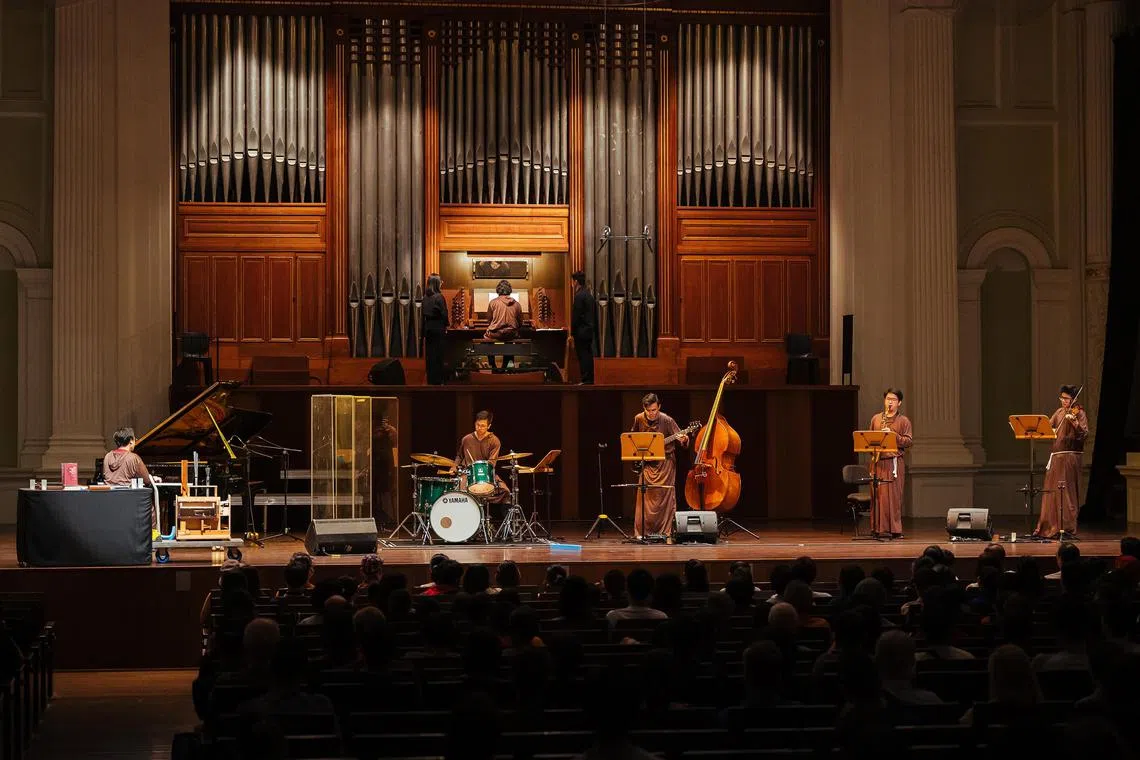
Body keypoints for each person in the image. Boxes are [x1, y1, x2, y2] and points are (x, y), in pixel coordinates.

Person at [630, 393, 689, 539]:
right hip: (647, 465)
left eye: (654, 410)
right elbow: (632, 439)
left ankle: (665, 532)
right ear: (644, 408)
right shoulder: (638, 418)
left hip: (665, 464)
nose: (651, 414)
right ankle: (643, 532)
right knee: (645, 498)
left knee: (665, 498)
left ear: (659, 407)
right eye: (648, 411)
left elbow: (681, 439)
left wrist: (684, 439)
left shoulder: (667, 420)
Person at [1034, 384, 1088, 539]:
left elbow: (1084, 434)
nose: (1064, 401)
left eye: (1067, 398)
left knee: (1066, 493)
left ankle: (1067, 528)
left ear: (1073, 399)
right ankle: (1049, 526)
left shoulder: (1079, 413)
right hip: (1056, 457)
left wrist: (1075, 423)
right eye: (1062, 398)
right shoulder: (1059, 412)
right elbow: (1048, 427)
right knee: (1052, 492)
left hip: (1069, 457)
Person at [867, 387, 913, 538]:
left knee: (893, 497)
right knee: (878, 496)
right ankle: (877, 529)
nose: (890, 403)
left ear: (899, 402)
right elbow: (868, 440)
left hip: (894, 462)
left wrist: (893, 435)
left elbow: (908, 441)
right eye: (888, 399)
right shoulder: (876, 419)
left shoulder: (903, 421)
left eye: (893, 400)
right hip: (878, 462)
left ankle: (894, 530)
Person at [102, 426, 161, 534]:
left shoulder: (107, 456)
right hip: (128, 500)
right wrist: (153, 478)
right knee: (150, 509)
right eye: (134, 439)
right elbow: (146, 480)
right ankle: (152, 540)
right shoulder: (133, 458)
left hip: (109, 499)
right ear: (130, 440)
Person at [454, 411, 509, 504]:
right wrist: (454, 466)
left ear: (489, 426)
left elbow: (492, 462)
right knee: (461, 492)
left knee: (505, 491)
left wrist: (482, 472)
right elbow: (459, 456)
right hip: (468, 474)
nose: (479, 428)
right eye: (477, 425)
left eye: (483, 426)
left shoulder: (494, 441)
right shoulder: (466, 439)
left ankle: (487, 509)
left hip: (486, 473)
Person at [422, 273, 449, 385]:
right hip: (438, 328)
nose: (442, 284)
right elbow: (444, 314)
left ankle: (431, 379)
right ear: (437, 284)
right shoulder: (439, 297)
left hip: (428, 328)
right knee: (438, 355)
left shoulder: (425, 297)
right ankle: (439, 381)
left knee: (430, 355)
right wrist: (447, 325)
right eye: (440, 282)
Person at [570, 270, 596, 384]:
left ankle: (586, 380)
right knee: (588, 355)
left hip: (581, 331)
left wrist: (572, 332)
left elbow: (576, 316)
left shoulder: (579, 296)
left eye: (572, 281)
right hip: (589, 330)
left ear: (575, 282)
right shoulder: (589, 295)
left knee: (583, 356)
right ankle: (589, 379)